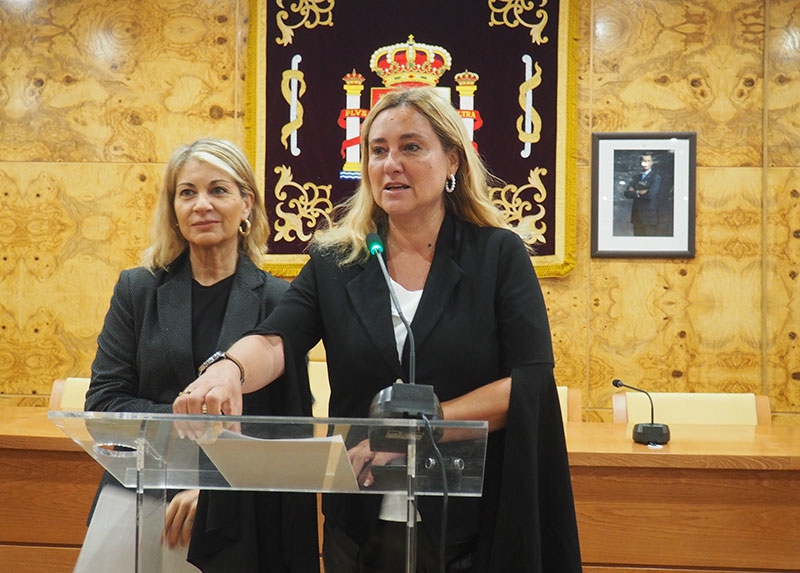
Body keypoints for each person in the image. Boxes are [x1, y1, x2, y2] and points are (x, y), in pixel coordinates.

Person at [174, 88, 582, 572]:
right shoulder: (337, 260)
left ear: (452, 160)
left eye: (411, 147)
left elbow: (529, 383)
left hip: (468, 521)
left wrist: (413, 433)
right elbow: (277, 339)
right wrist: (228, 370)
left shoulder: (497, 255)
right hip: (359, 521)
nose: (391, 164)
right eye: (378, 150)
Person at [81, 138, 319, 572]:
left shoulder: (280, 300)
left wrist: (216, 489)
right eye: (187, 192)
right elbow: (105, 406)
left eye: (218, 190)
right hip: (140, 497)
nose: (201, 205)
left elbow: (287, 427)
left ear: (247, 204)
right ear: (173, 209)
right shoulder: (138, 290)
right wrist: (192, 427)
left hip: (239, 512)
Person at [623, 152, 662, 236]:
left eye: (648, 161)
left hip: (649, 217)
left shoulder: (656, 177)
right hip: (637, 216)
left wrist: (634, 192)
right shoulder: (635, 177)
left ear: (652, 163)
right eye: (644, 161)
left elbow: (650, 195)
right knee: (637, 242)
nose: (646, 163)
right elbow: (627, 193)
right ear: (640, 162)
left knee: (649, 242)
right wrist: (639, 192)